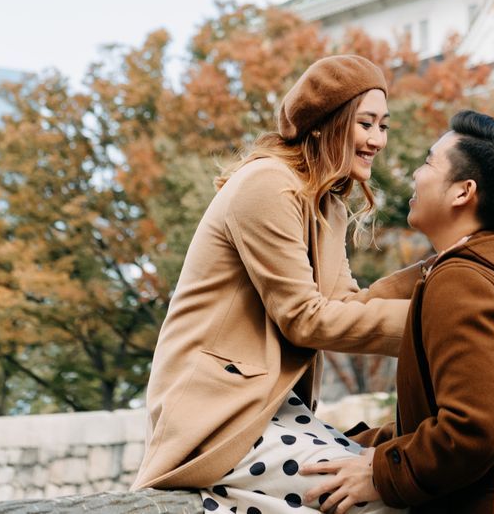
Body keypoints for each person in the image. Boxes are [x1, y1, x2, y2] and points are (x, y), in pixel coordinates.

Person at [133, 54, 423, 514]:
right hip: (219, 416)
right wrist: (435, 323)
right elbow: (305, 319)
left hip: (273, 411)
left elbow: (345, 303)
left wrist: (431, 279)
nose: (377, 140)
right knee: (376, 494)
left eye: (383, 126)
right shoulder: (267, 185)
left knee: (392, 482)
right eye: (366, 123)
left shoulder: (327, 205)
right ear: (327, 122)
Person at [303, 110, 494, 514]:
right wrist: (366, 448)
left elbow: (476, 432)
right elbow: (465, 416)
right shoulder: (488, 275)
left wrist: (380, 474)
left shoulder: (461, 282)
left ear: (463, 192)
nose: (416, 173)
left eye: (429, 162)